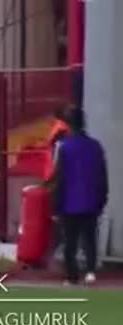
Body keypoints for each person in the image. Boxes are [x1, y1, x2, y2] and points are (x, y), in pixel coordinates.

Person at [51, 108, 108, 285]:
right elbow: (102, 174)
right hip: (91, 200)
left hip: (69, 202)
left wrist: (55, 204)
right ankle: (90, 271)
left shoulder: (64, 148)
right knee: (90, 238)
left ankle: (72, 275)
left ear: (68, 125)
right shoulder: (95, 146)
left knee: (70, 241)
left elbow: (59, 178)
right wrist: (102, 197)